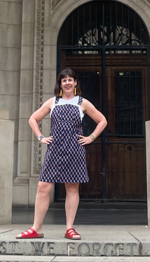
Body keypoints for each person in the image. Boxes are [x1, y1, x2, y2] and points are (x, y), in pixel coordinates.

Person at [16, 68, 107, 241]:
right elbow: (32, 119)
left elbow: (102, 120)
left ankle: (70, 228)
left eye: (70, 79)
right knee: (43, 187)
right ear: (60, 83)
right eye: (64, 80)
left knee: (72, 188)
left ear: (75, 83)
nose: (67, 82)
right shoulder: (53, 102)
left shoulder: (83, 102)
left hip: (74, 149)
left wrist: (91, 137)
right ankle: (36, 228)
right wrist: (41, 137)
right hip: (55, 149)